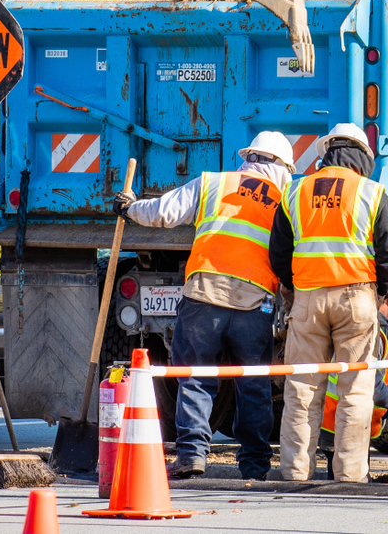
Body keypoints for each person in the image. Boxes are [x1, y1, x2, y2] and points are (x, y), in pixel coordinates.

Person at [112, 131, 295, 480]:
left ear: (249, 157)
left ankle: (192, 455)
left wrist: (129, 207)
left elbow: (164, 212)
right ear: (284, 166)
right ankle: (254, 463)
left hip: (204, 297)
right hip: (254, 304)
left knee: (195, 376)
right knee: (252, 382)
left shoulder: (213, 182)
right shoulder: (287, 198)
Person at [269, 123, 388, 482]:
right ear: (363, 157)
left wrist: (294, 289)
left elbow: (279, 253)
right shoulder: (372, 193)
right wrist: (377, 292)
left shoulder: (294, 192)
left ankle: (295, 471)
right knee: (356, 390)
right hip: (357, 296)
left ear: (326, 153)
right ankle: (350, 475)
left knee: (301, 388)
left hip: (308, 298)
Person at [318, 285, 388, 478]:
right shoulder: (371, 337)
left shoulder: (352, 318)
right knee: (348, 484)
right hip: (343, 425)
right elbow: (378, 393)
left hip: (330, 419)